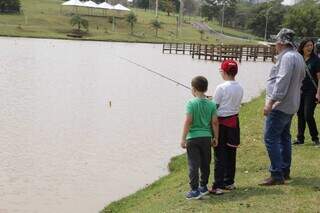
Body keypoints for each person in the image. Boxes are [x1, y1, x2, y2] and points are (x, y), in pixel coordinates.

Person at [260, 28, 305, 186]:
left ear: (280, 43)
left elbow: (282, 81)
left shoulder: (286, 58)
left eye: (276, 43)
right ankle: (285, 171)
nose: (275, 46)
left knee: (270, 138)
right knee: (285, 137)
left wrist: (271, 102)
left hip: (280, 105)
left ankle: (276, 174)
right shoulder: (298, 56)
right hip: (292, 104)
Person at [180, 76, 219, 199]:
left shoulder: (191, 103)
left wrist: (183, 138)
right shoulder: (212, 104)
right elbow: (215, 123)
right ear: (206, 88)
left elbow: (188, 121)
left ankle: (194, 190)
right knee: (205, 163)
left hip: (193, 138)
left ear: (194, 89)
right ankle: (203, 186)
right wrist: (215, 137)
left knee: (193, 164)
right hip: (206, 138)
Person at [209, 60, 244, 195]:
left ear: (223, 72)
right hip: (234, 123)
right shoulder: (240, 87)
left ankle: (217, 185)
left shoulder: (221, 88)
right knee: (231, 153)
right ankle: (229, 182)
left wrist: (208, 101)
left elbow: (214, 108)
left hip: (222, 125)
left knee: (219, 155)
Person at [293, 38, 320, 146]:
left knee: (308, 114)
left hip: (312, 91)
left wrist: (318, 93)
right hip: (300, 90)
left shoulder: (316, 60)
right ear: (302, 47)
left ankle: (315, 138)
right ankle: (300, 138)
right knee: (300, 114)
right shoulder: (298, 58)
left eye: (311, 45)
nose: (310, 47)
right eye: (307, 46)